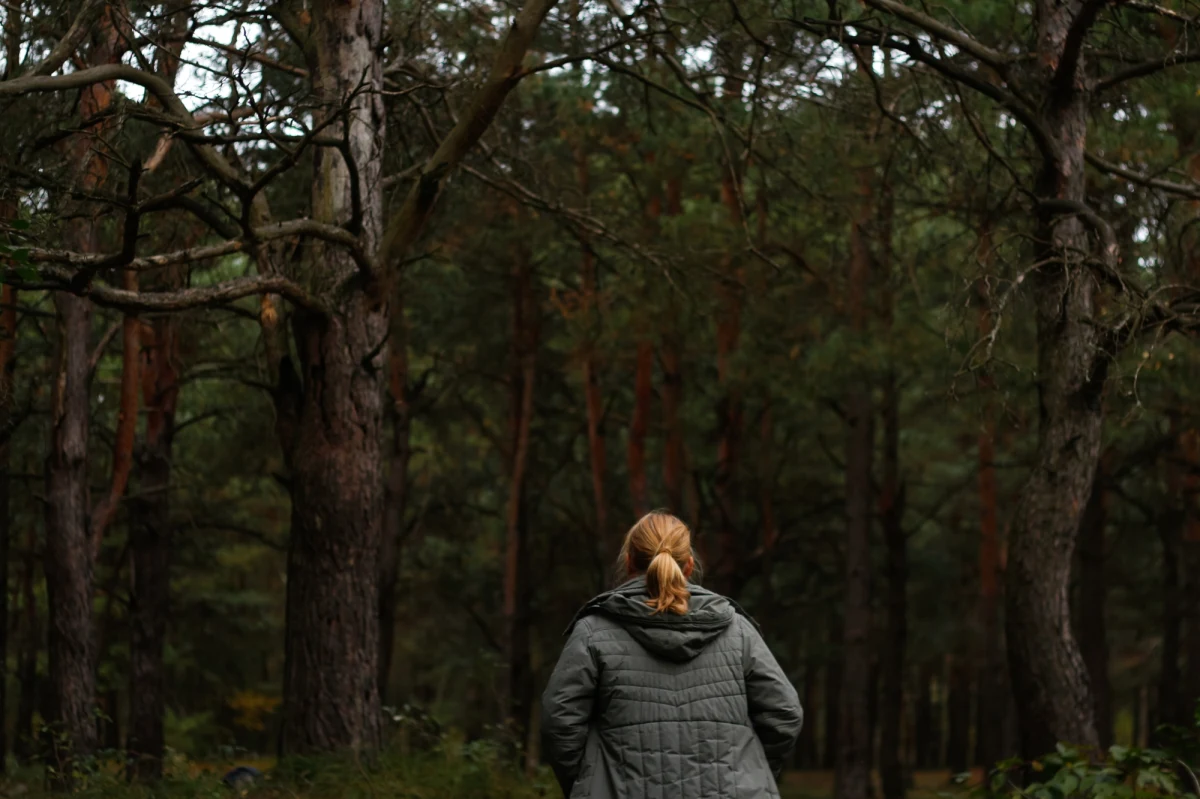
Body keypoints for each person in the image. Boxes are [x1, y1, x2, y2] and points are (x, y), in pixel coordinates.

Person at [541, 511, 804, 799]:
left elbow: (559, 720)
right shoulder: (737, 631)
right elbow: (785, 713)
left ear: (629, 561)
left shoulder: (593, 631)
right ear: (689, 565)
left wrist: (590, 782)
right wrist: (748, 772)